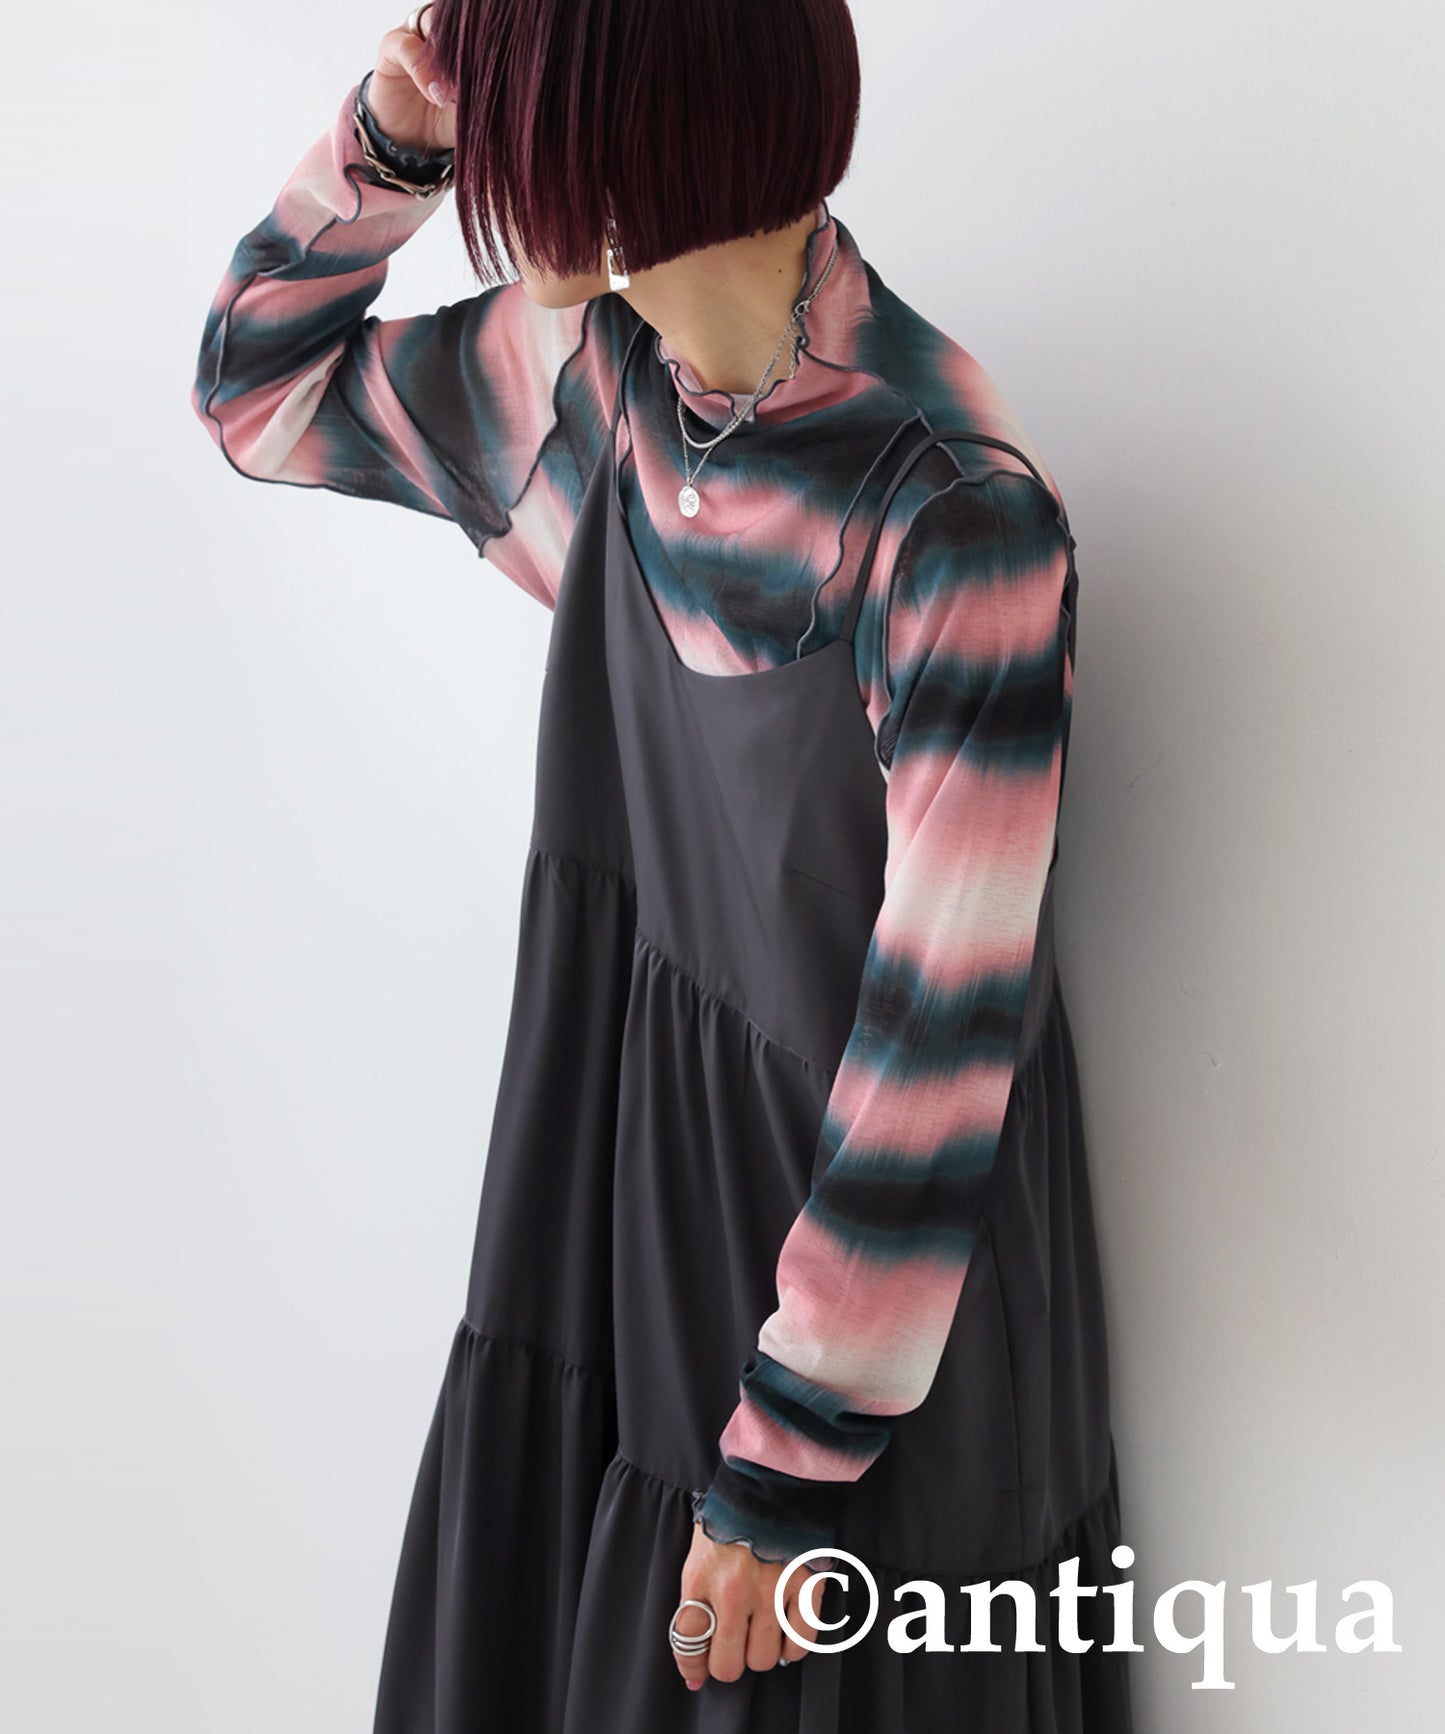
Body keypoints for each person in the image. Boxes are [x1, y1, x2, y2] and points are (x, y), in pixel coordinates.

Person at [191, 3, 1134, 1728]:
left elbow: (941, 1043)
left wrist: (788, 1457)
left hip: (866, 1296)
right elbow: (261, 397)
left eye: (517, 104)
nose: (491, 150)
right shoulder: (602, 383)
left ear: (640, 129)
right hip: (635, 1196)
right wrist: (388, 141)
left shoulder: (948, 517)